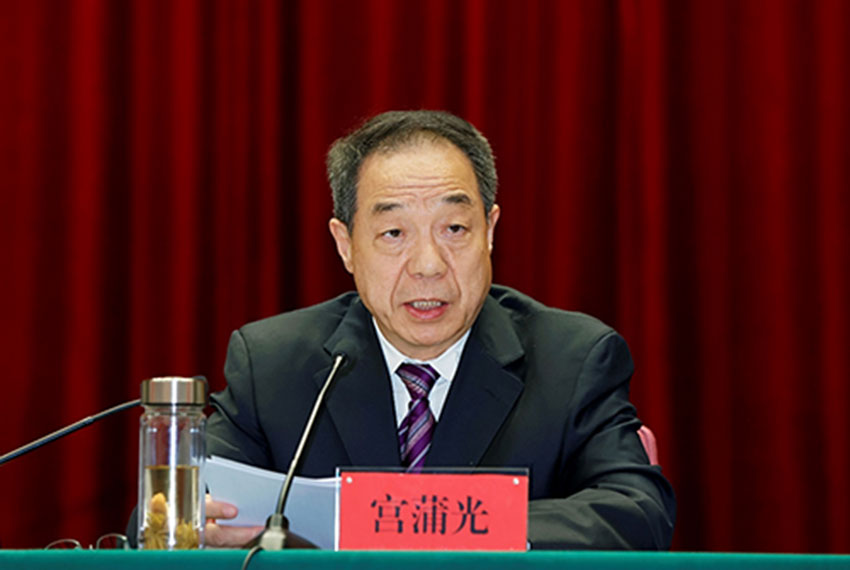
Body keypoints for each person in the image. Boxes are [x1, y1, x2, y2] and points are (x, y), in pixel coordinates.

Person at [203, 110, 676, 549]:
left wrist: (454, 526)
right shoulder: (272, 365)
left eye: (454, 229)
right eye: (394, 234)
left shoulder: (572, 360)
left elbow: (637, 511)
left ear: (489, 230)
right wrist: (194, 521)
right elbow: (188, 502)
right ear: (345, 245)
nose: (428, 265)